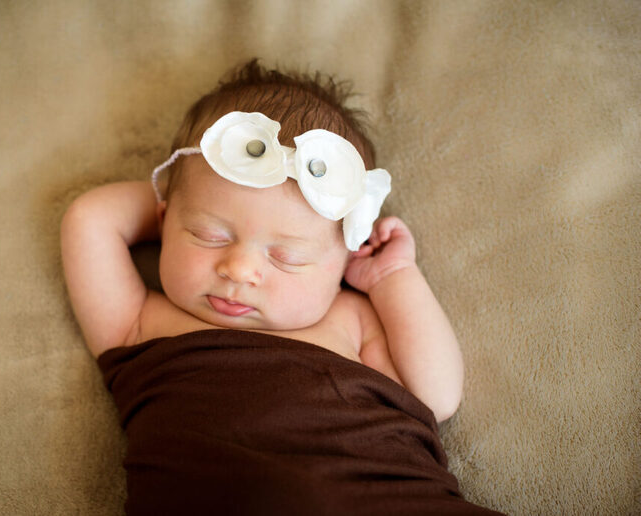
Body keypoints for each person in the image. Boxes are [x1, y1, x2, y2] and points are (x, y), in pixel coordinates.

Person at [60, 59, 503, 515]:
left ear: (345, 258)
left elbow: (437, 394)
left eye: (286, 256)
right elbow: (90, 219)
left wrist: (392, 278)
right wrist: (189, 188)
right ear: (162, 218)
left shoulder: (350, 321)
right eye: (210, 235)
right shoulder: (138, 328)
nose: (239, 269)